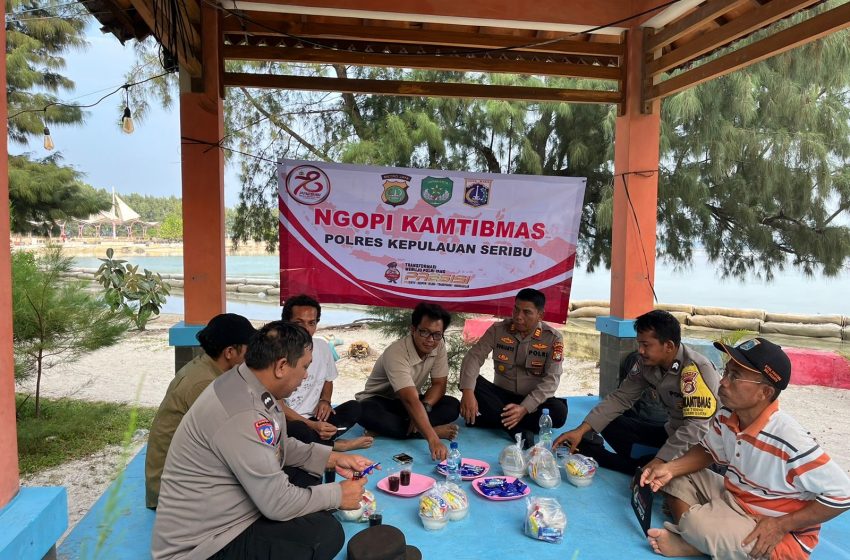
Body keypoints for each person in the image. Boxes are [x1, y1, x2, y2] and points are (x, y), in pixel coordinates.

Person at [152, 321, 376, 560]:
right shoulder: (243, 413)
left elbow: (279, 445)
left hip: (226, 511)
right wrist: (338, 495)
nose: (306, 375)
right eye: (304, 366)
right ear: (281, 366)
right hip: (204, 546)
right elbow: (278, 503)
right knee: (325, 533)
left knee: (309, 489)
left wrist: (333, 459)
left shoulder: (245, 381)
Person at [641, 337, 850, 559]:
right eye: (726, 371)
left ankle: (693, 539)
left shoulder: (788, 439)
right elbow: (709, 451)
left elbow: (843, 495)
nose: (723, 382)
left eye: (735, 377)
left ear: (765, 393)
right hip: (736, 498)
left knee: (695, 522)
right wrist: (670, 469)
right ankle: (702, 540)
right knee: (675, 476)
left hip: (778, 532)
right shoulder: (727, 416)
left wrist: (780, 525)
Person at [553, 310, 719, 474]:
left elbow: (695, 428)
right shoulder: (645, 364)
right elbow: (620, 398)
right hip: (670, 432)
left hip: (701, 448)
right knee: (611, 424)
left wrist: (660, 461)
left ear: (668, 346)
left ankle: (639, 464)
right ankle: (644, 463)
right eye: (639, 344)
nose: (640, 350)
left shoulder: (696, 369)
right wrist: (580, 430)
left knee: (661, 473)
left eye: (646, 345)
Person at [144, 313, 257, 509]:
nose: (252, 354)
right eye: (248, 348)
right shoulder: (205, 384)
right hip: (170, 491)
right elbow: (225, 443)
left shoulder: (209, 367)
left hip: (181, 474)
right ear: (230, 352)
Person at [459, 288, 567, 443]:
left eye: (526, 312)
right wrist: (468, 392)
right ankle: (515, 429)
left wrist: (524, 408)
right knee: (471, 384)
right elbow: (473, 357)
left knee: (559, 412)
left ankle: (494, 420)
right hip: (501, 397)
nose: (518, 317)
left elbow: (552, 380)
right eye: (516, 309)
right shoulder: (498, 330)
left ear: (540, 315)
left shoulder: (553, 339)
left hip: (532, 401)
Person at [355, 302, 460, 461]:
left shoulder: (439, 345)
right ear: (413, 329)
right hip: (381, 401)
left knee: (452, 405)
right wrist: (433, 439)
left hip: (411, 403)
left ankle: (393, 429)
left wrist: (424, 407)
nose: (430, 340)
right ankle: (429, 430)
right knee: (362, 411)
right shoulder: (396, 352)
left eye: (437, 334)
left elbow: (439, 384)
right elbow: (409, 399)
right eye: (424, 332)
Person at [281, 294, 372, 451]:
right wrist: (312, 425)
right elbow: (276, 405)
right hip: (288, 420)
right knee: (295, 431)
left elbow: (328, 380)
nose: (306, 329)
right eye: (298, 323)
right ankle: (336, 446)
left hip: (315, 417)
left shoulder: (322, 347)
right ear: (286, 323)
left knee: (354, 408)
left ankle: (317, 441)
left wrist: (325, 401)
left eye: (312, 323)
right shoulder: (277, 352)